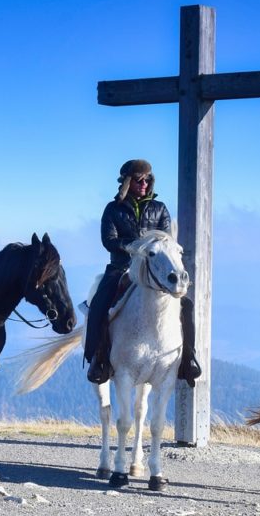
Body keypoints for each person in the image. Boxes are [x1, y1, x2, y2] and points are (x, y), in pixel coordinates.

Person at [84, 159, 202, 387]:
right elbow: (108, 241)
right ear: (128, 182)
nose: (144, 184)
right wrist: (134, 247)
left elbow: (166, 241)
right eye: (139, 180)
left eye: (148, 180)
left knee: (186, 305)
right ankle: (97, 359)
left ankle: (188, 359)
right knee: (99, 303)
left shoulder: (160, 209)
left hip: (153, 271)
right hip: (121, 268)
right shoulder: (113, 209)